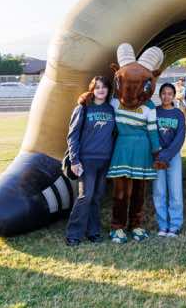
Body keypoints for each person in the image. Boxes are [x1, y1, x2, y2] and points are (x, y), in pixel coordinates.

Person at [65, 76, 115, 246]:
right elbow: (72, 136)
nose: (101, 90)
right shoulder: (83, 108)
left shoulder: (111, 109)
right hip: (87, 160)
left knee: (97, 196)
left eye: (104, 87)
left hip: (105, 160)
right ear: (92, 89)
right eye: (97, 87)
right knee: (85, 196)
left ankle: (93, 231)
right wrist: (74, 160)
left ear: (108, 90)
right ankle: (74, 233)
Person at [153, 83, 186, 237]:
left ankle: (175, 225)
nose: (166, 96)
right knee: (159, 191)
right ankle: (162, 225)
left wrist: (166, 155)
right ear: (160, 95)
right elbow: (151, 133)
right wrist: (158, 153)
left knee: (175, 191)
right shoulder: (155, 112)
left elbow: (180, 138)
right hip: (157, 156)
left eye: (170, 94)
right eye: (164, 93)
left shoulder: (178, 114)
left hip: (173, 157)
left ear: (173, 96)